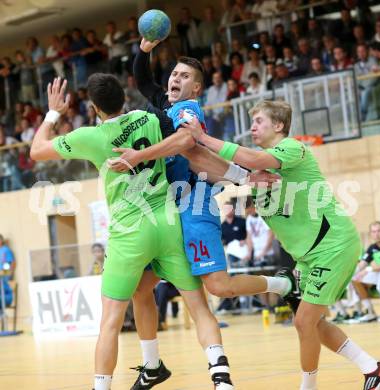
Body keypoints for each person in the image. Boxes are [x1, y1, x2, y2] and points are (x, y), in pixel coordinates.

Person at [110, 38, 300, 389]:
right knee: (140, 289)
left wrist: (140, 156)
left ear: (195, 87)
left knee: (219, 288)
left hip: (193, 205)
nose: (174, 79)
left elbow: (189, 147)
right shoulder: (163, 106)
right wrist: (144, 48)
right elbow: (142, 79)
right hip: (166, 213)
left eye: (183, 75)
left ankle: (284, 283)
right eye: (174, 73)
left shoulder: (188, 111)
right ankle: (154, 367)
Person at [30, 75, 236, 390]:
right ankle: (220, 379)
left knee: (110, 322)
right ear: (123, 98)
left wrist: (53, 113)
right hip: (167, 225)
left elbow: (36, 150)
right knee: (198, 308)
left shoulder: (92, 136)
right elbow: (186, 144)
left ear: (94, 107)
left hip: (130, 233)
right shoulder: (150, 117)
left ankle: (103, 386)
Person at [186, 99, 380, 390]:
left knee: (304, 322)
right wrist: (190, 149)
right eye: (251, 121)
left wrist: (203, 137)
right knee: (313, 323)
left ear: (278, 126)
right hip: (308, 257)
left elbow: (253, 160)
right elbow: (229, 167)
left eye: (258, 121)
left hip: (333, 246)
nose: (252, 127)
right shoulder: (259, 172)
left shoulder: (293, 148)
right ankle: (373, 370)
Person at [352, 221, 380, 323]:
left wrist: (368, 269)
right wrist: (350, 274)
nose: (377, 234)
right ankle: (370, 311)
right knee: (355, 278)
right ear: (371, 234)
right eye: (374, 231)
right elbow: (362, 264)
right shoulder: (372, 248)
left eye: (379, 231)